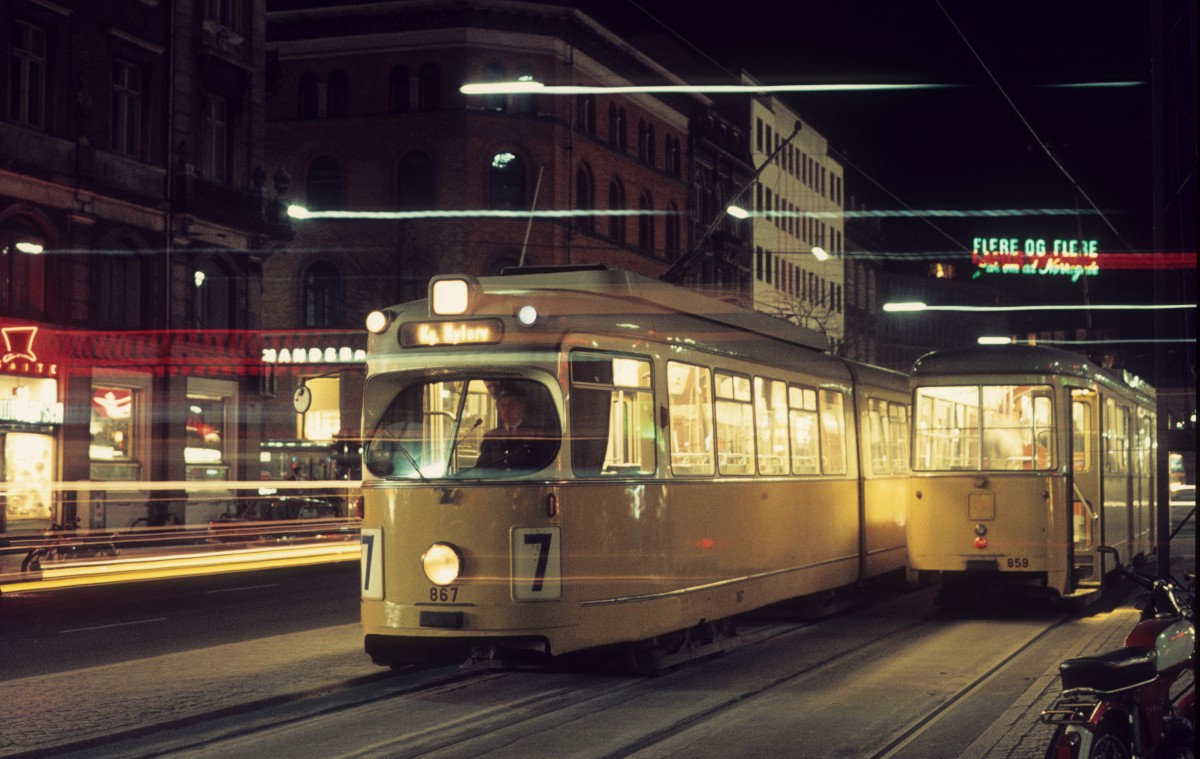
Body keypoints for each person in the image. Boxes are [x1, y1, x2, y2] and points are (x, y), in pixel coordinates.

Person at [474, 384, 555, 470]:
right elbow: (481, 467)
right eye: (503, 405)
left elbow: (541, 466)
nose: (506, 410)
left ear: (521, 407)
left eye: (512, 405)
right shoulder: (491, 437)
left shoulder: (535, 434)